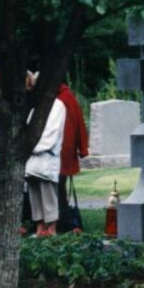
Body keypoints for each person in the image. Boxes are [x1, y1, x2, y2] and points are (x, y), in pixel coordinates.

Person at [25, 75, 66, 236]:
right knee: (34, 195)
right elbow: (28, 129)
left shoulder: (58, 106)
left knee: (48, 195)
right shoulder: (36, 107)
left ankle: (51, 229)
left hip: (46, 156)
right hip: (32, 159)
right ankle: (39, 227)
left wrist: (30, 147)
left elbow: (51, 135)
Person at [56, 82, 89, 232]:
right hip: (62, 148)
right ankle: (62, 221)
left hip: (63, 149)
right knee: (57, 187)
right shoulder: (65, 96)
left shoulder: (65, 97)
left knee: (58, 187)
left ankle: (63, 221)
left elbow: (78, 121)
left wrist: (82, 148)